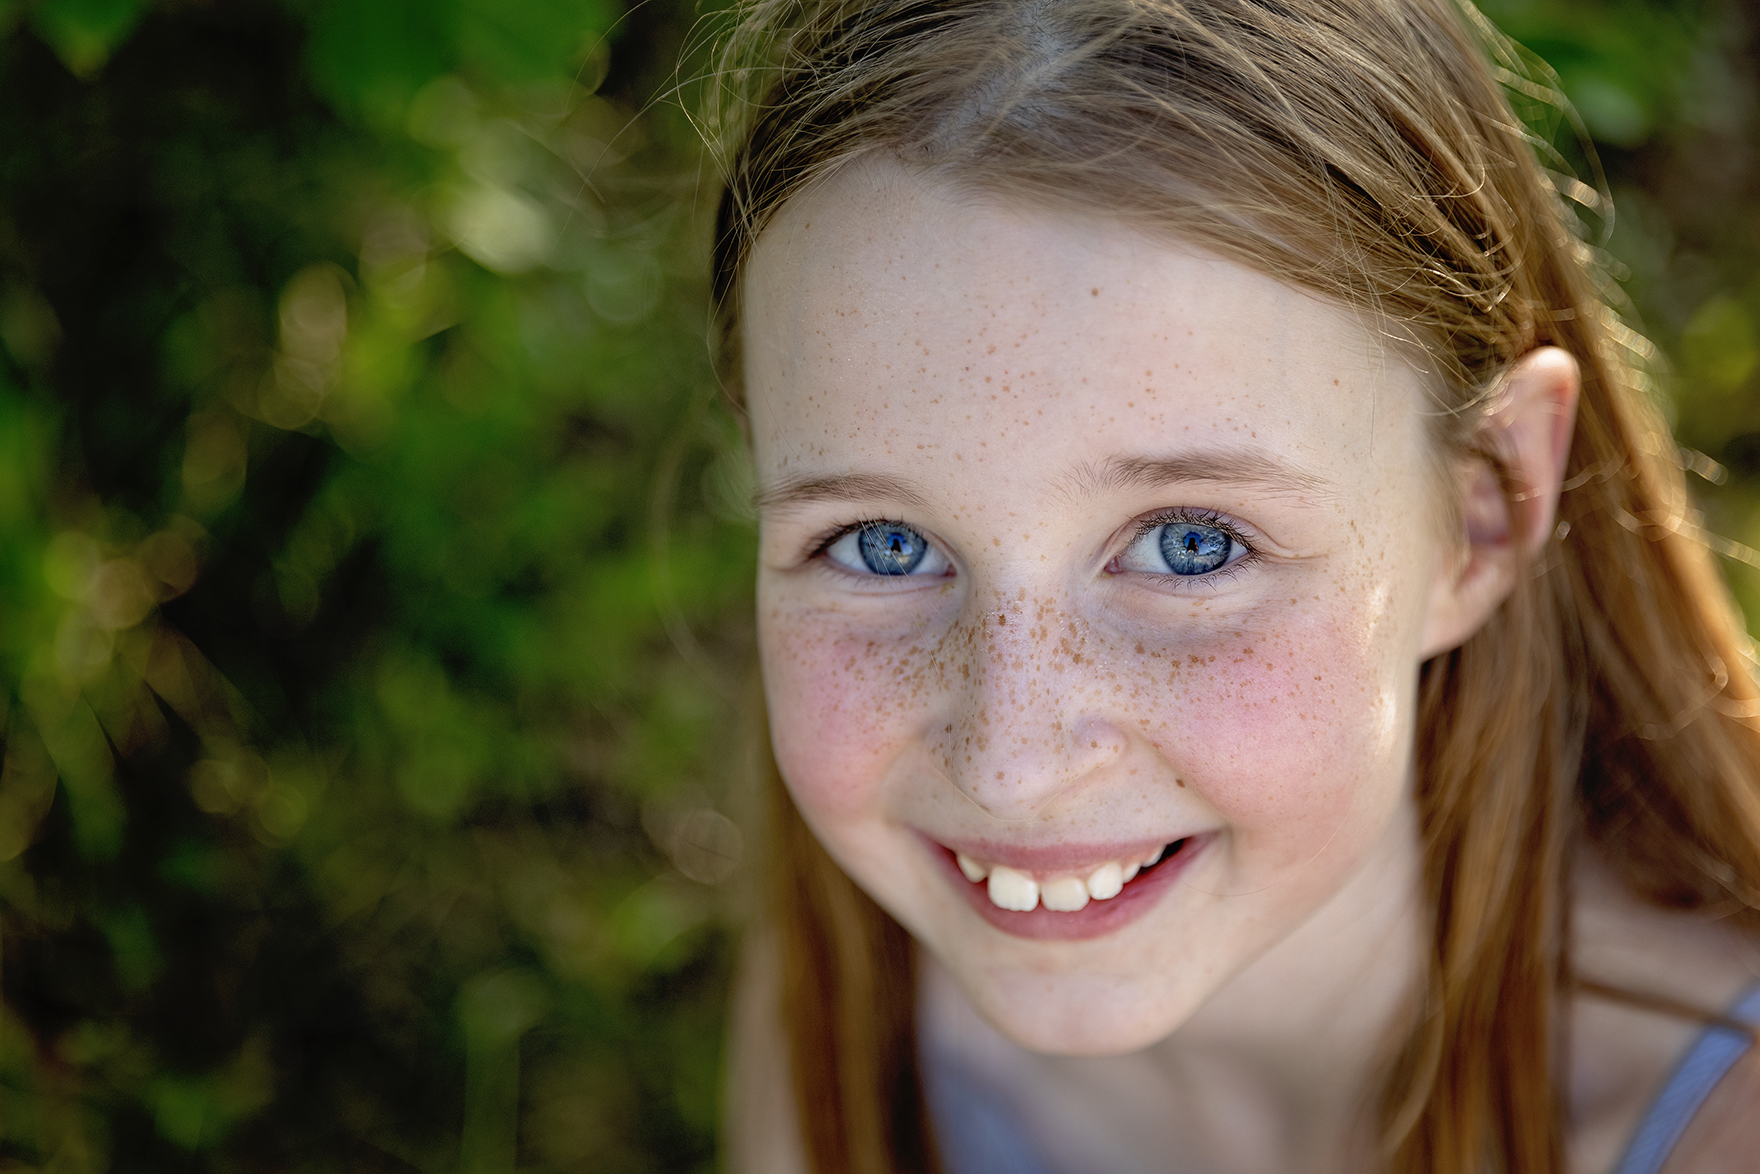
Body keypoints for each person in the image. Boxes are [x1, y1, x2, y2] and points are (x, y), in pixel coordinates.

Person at [707, 2, 1760, 1170]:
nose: (1011, 769)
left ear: (1483, 510)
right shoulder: (849, 1008)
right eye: (881, 545)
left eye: (1191, 544)